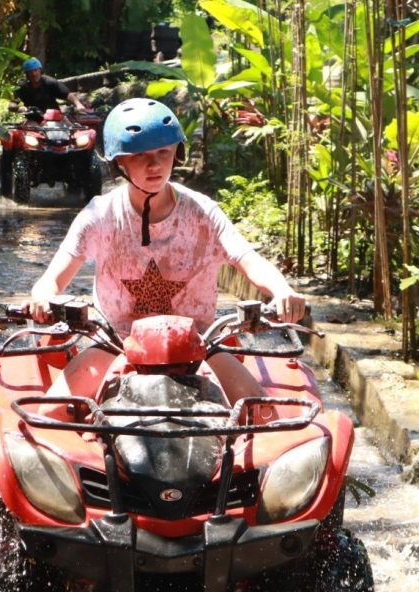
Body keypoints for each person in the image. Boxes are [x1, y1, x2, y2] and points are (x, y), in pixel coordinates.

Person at [23, 98, 306, 419]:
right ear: (119, 163)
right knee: (50, 416)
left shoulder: (203, 212)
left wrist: (282, 290)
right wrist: (42, 298)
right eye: (139, 155)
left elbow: (248, 259)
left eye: (163, 152)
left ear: (177, 153)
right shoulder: (100, 214)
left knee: (263, 415)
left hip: (199, 344)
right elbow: (53, 278)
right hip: (116, 341)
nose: (154, 165)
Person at [8, 57, 86, 116]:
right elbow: (12, 104)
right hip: (34, 119)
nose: (33, 74)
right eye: (30, 72)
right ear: (26, 74)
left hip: (54, 117)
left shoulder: (50, 82)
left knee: (71, 128)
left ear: (40, 71)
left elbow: (68, 94)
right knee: (29, 131)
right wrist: (18, 108)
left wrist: (78, 105)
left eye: (35, 70)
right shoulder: (23, 87)